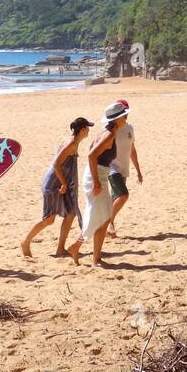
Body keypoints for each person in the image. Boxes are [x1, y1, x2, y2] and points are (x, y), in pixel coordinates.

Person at [66, 104, 129, 267]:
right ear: (116, 119)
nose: (126, 118)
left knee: (104, 216)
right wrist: (96, 181)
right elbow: (91, 155)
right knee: (100, 216)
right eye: (124, 116)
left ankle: (94, 256)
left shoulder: (109, 132)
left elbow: (92, 149)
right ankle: (78, 247)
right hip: (96, 176)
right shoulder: (108, 134)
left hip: (98, 174)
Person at [21, 117, 93, 258]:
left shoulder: (73, 141)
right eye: (88, 128)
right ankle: (25, 242)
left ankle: (60, 249)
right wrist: (64, 184)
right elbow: (56, 164)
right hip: (54, 185)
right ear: (83, 129)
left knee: (71, 214)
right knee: (49, 219)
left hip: (59, 183)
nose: (89, 130)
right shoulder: (71, 143)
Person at [105, 101, 143, 236]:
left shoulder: (130, 128)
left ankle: (109, 226)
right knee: (123, 195)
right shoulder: (109, 130)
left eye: (126, 112)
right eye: (123, 113)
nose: (125, 116)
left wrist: (138, 170)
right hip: (111, 168)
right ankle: (107, 223)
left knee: (114, 198)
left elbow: (132, 149)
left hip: (123, 168)